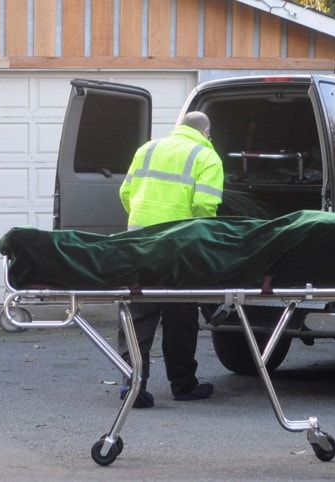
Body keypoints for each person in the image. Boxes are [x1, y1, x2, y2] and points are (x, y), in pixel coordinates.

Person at [117, 111, 224, 407]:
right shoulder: (206, 156)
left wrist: (146, 222)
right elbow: (204, 205)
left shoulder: (147, 149)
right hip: (181, 250)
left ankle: (132, 386)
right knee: (181, 319)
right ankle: (183, 385)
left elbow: (125, 192)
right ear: (206, 132)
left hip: (141, 245)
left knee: (137, 316)